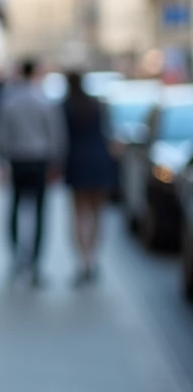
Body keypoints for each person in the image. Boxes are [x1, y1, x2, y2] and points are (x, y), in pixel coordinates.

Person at [0, 59, 66, 286]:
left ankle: (17, 257)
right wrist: (56, 164)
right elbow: (55, 135)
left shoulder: (8, 101)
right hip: (39, 160)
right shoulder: (44, 101)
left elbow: (0, 134)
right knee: (40, 213)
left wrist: (1, 162)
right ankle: (34, 264)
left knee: (15, 208)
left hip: (17, 160)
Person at [62, 71, 115, 285]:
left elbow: (60, 138)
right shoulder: (96, 105)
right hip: (99, 160)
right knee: (97, 214)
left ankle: (83, 260)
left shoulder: (66, 107)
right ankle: (93, 257)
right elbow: (107, 133)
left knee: (79, 214)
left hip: (76, 162)